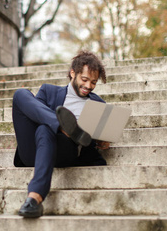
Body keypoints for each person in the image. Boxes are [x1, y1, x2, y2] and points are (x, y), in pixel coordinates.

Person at [12, 50, 110, 218]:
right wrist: (57, 124)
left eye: (93, 82)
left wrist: (104, 140)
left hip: (65, 150)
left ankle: (34, 199)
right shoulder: (48, 91)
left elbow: (99, 138)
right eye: (84, 79)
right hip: (32, 150)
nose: (88, 86)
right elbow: (34, 116)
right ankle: (63, 126)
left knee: (45, 129)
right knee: (21, 95)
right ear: (73, 73)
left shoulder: (98, 104)